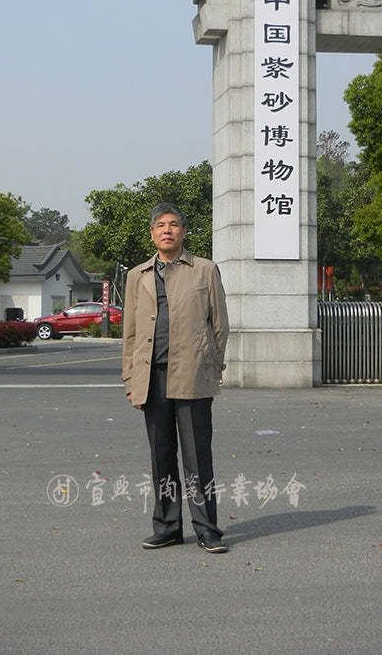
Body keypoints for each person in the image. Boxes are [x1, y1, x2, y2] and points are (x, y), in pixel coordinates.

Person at [122, 202, 230, 554]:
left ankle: (207, 528)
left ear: (183, 232)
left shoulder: (205, 270)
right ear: (152, 233)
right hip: (152, 377)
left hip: (193, 375)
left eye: (173, 225)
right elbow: (131, 334)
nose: (167, 230)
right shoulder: (137, 275)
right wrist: (130, 380)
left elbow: (220, 327)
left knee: (198, 455)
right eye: (160, 226)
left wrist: (213, 372)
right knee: (162, 455)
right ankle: (168, 526)